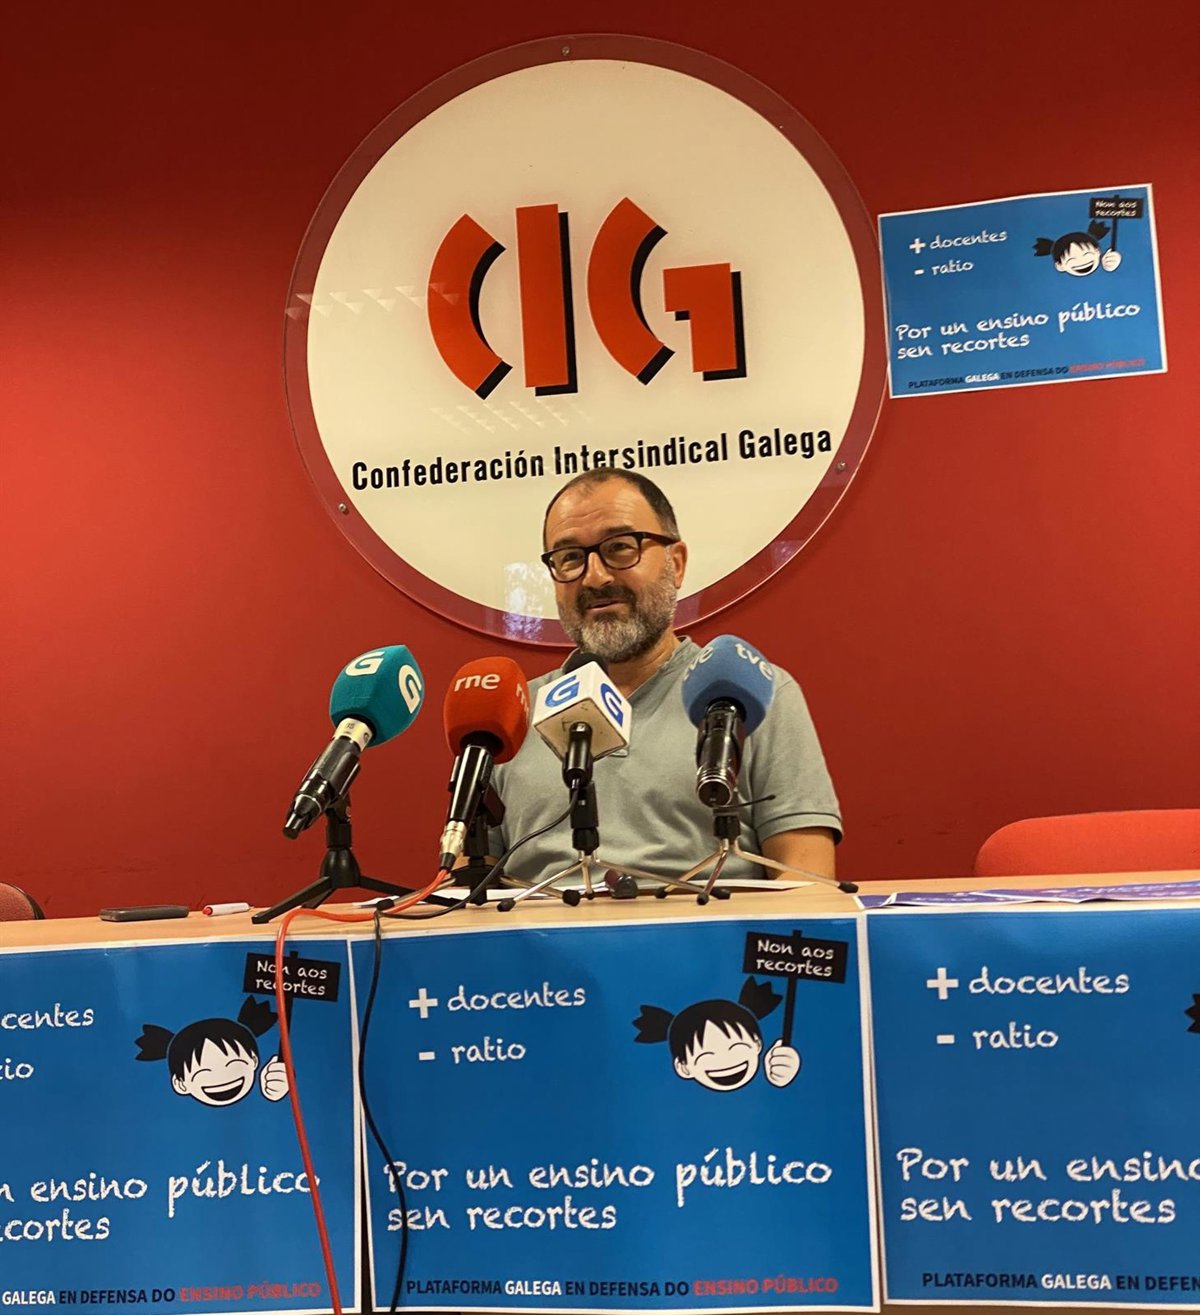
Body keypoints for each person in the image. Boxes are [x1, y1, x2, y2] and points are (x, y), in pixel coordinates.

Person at [488, 469, 841, 887]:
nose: (595, 577)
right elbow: (464, 891)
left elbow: (807, 886)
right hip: (538, 930)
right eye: (569, 558)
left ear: (676, 564)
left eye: (620, 548)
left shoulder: (757, 696)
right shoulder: (510, 713)